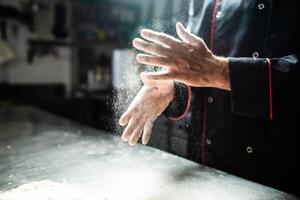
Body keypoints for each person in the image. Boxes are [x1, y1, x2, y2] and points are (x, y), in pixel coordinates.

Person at [118, 0, 300, 195]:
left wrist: (218, 71)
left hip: (273, 178)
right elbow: (196, 73)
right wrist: (172, 86)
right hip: (204, 171)